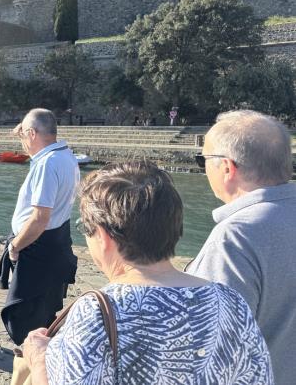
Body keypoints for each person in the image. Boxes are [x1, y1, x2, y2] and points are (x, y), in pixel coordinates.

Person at [21, 161, 273, 384]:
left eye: (85, 228)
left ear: (104, 236)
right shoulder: (231, 302)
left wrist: (39, 360)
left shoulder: (96, 313)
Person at [187, 110, 295, 383]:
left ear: (227, 167)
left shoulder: (235, 237)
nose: (203, 168)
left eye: (203, 160)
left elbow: (211, 347)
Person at [0, 108, 79, 380]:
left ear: (32, 133)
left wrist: (15, 246)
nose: (20, 139)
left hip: (37, 251)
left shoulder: (47, 164)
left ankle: (30, 377)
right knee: (42, 320)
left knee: (27, 327)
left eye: (22, 134)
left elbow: (40, 217)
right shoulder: (66, 156)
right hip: (56, 247)